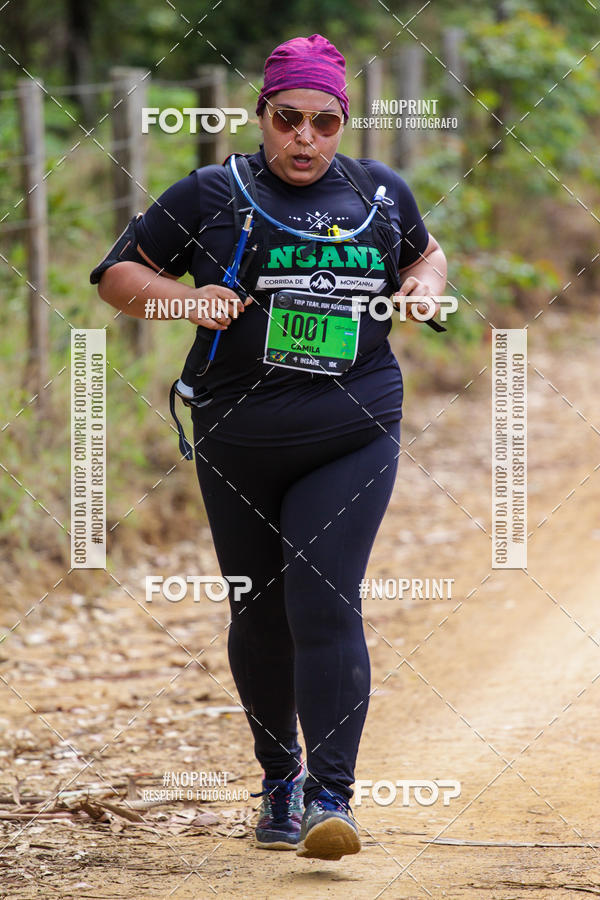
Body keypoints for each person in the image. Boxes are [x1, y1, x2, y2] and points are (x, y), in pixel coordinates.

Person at [92, 33, 447, 861]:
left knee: (322, 599)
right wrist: (186, 303)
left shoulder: (379, 194)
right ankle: (279, 779)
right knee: (259, 610)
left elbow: (425, 255)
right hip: (237, 436)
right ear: (261, 116)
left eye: (325, 122)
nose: (306, 138)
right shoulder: (215, 192)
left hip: (352, 427)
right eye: (288, 118)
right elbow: (119, 274)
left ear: (342, 124)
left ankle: (334, 797)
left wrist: (424, 289)